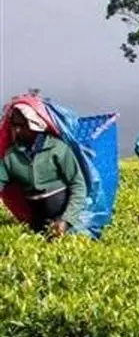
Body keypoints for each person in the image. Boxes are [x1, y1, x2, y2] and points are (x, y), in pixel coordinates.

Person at [0, 102, 86, 238]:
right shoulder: (11, 156)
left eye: (22, 126)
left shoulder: (58, 149)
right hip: (37, 222)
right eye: (15, 126)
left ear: (35, 125)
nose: (17, 130)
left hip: (67, 221)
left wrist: (67, 220)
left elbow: (78, 185)